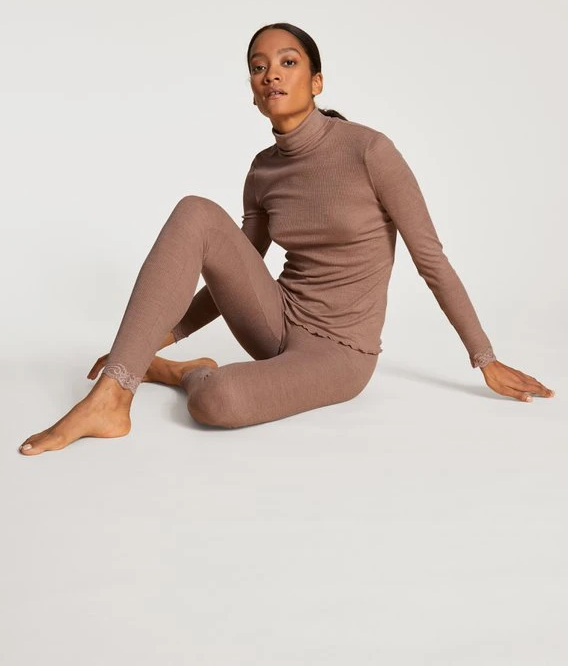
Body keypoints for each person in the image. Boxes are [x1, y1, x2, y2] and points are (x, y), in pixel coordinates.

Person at [19, 22, 555, 456]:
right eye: (258, 67)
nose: (271, 74)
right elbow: (233, 270)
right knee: (196, 212)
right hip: (275, 321)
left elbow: (430, 259)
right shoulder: (262, 171)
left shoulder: (370, 151)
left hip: (340, 354)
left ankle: (188, 376)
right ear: (254, 93)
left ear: (317, 82)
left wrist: (485, 358)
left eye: (288, 62)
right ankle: (112, 397)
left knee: (216, 401)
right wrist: (152, 341)